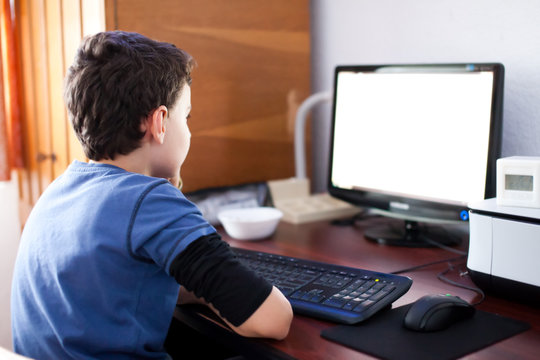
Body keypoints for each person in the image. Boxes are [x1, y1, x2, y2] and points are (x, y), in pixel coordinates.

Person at [11, 31, 292, 359]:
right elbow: (274, 320)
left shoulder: (59, 190)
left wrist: (205, 291)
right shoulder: (149, 201)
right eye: (185, 116)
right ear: (160, 123)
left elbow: (117, 287)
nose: (188, 130)